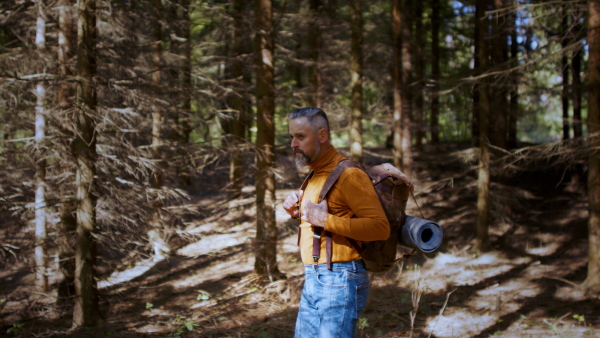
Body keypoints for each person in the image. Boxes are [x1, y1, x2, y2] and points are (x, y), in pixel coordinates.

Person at [282, 107, 390, 337]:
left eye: (301, 137)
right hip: (315, 275)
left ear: (322, 135)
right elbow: (321, 218)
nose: (293, 144)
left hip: (340, 278)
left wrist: (325, 219)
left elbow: (380, 227)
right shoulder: (316, 173)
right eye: (291, 137)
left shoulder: (349, 174)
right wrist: (296, 212)